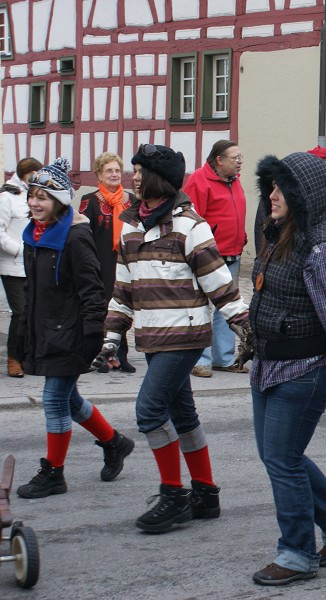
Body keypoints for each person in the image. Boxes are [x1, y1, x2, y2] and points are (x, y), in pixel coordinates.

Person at [97, 144, 250, 532]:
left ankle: (173, 494)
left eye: (138, 170)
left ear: (157, 178)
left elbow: (220, 283)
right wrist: (112, 338)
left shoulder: (189, 224)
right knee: (183, 413)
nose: (133, 176)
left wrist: (243, 324)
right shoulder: (131, 224)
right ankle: (205, 493)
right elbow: (123, 289)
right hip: (151, 336)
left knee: (149, 411)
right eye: (131, 169)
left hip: (184, 335)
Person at [250, 151, 326, 586]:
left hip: (306, 370)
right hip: (269, 365)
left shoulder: (321, 249)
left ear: (303, 194)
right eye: (270, 186)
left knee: (282, 460)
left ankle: (298, 553)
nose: (272, 194)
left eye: (281, 188)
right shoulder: (279, 235)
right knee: (277, 456)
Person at [16, 158, 134, 499]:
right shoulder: (33, 235)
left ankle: (54, 473)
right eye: (32, 196)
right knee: (68, 400)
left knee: (54, 400)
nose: (35, 203)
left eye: (43, 197)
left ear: (59, 202)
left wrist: (91, 336)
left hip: (70, 332)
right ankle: (115, 442)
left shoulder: (75, 236)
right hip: (45, 329)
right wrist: (23, 331)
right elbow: (31, 290)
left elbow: (93, 291)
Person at [183, 139, 247, 377]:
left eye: (241, 158)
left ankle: (224, 357)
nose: (240, 163)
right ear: (219, 160)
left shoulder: (234, 180)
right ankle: (200, 359)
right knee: (201, 307)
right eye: (235, 158)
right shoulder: (199, 181)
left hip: (232, 253)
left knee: (227, 305)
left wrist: (241, 236)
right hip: (207, 256)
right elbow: (189, 220)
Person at [79, 152, 137, 373]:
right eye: (109, 171)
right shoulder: (90, 201)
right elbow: (83, 235)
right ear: (99, 176)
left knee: (122, 308)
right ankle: (100, 355)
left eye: (117, 170)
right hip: (99, 263)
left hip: (124, 263)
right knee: (101, 309)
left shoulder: (131, 200)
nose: (114, 174)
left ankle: (121, 355)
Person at [0, 157, 41, 377]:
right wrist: (19, 251)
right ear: (25, 174)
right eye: (33, 174)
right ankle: (14, 359)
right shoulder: (7, 197)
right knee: (20, 312)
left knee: (32, 311)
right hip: (12, 265)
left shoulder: (33, 194)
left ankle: (27, 356)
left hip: (33, 263)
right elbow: (0, 233)